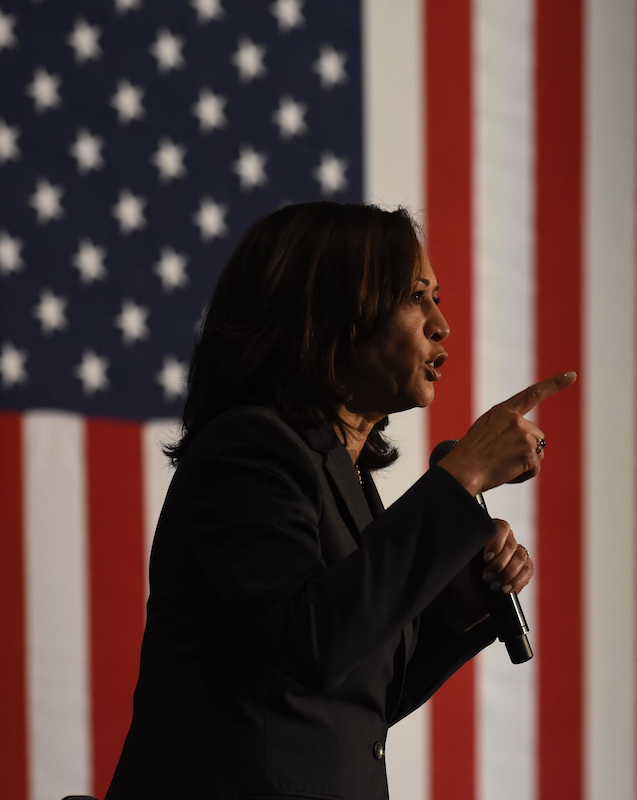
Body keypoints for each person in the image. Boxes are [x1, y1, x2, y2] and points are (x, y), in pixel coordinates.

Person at [105, 201, 576, 800]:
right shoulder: (247, 449)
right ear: (331, 313)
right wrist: (463, 476)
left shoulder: (347, 479)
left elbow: (349, 698)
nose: (441, 324)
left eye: (437, 297)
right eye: (415, 296)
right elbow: (315, 640)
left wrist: (463, 597)